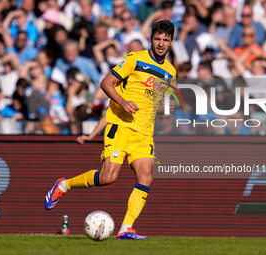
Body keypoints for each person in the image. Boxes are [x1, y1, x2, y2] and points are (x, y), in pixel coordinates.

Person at [44, 20, 176, 240]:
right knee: (108, 177)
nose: (161, 44)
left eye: (166, 40)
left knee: (146, 177)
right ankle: (64, 184)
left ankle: (126, 228)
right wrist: (123, 102)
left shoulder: (170, 71)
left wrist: (166, 106)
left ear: (171, 41)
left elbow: (157, 100)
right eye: (157, 39)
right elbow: (106, 83)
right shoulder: (135, 59)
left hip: (144, 133)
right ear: (151, 39)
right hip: (121, 126)